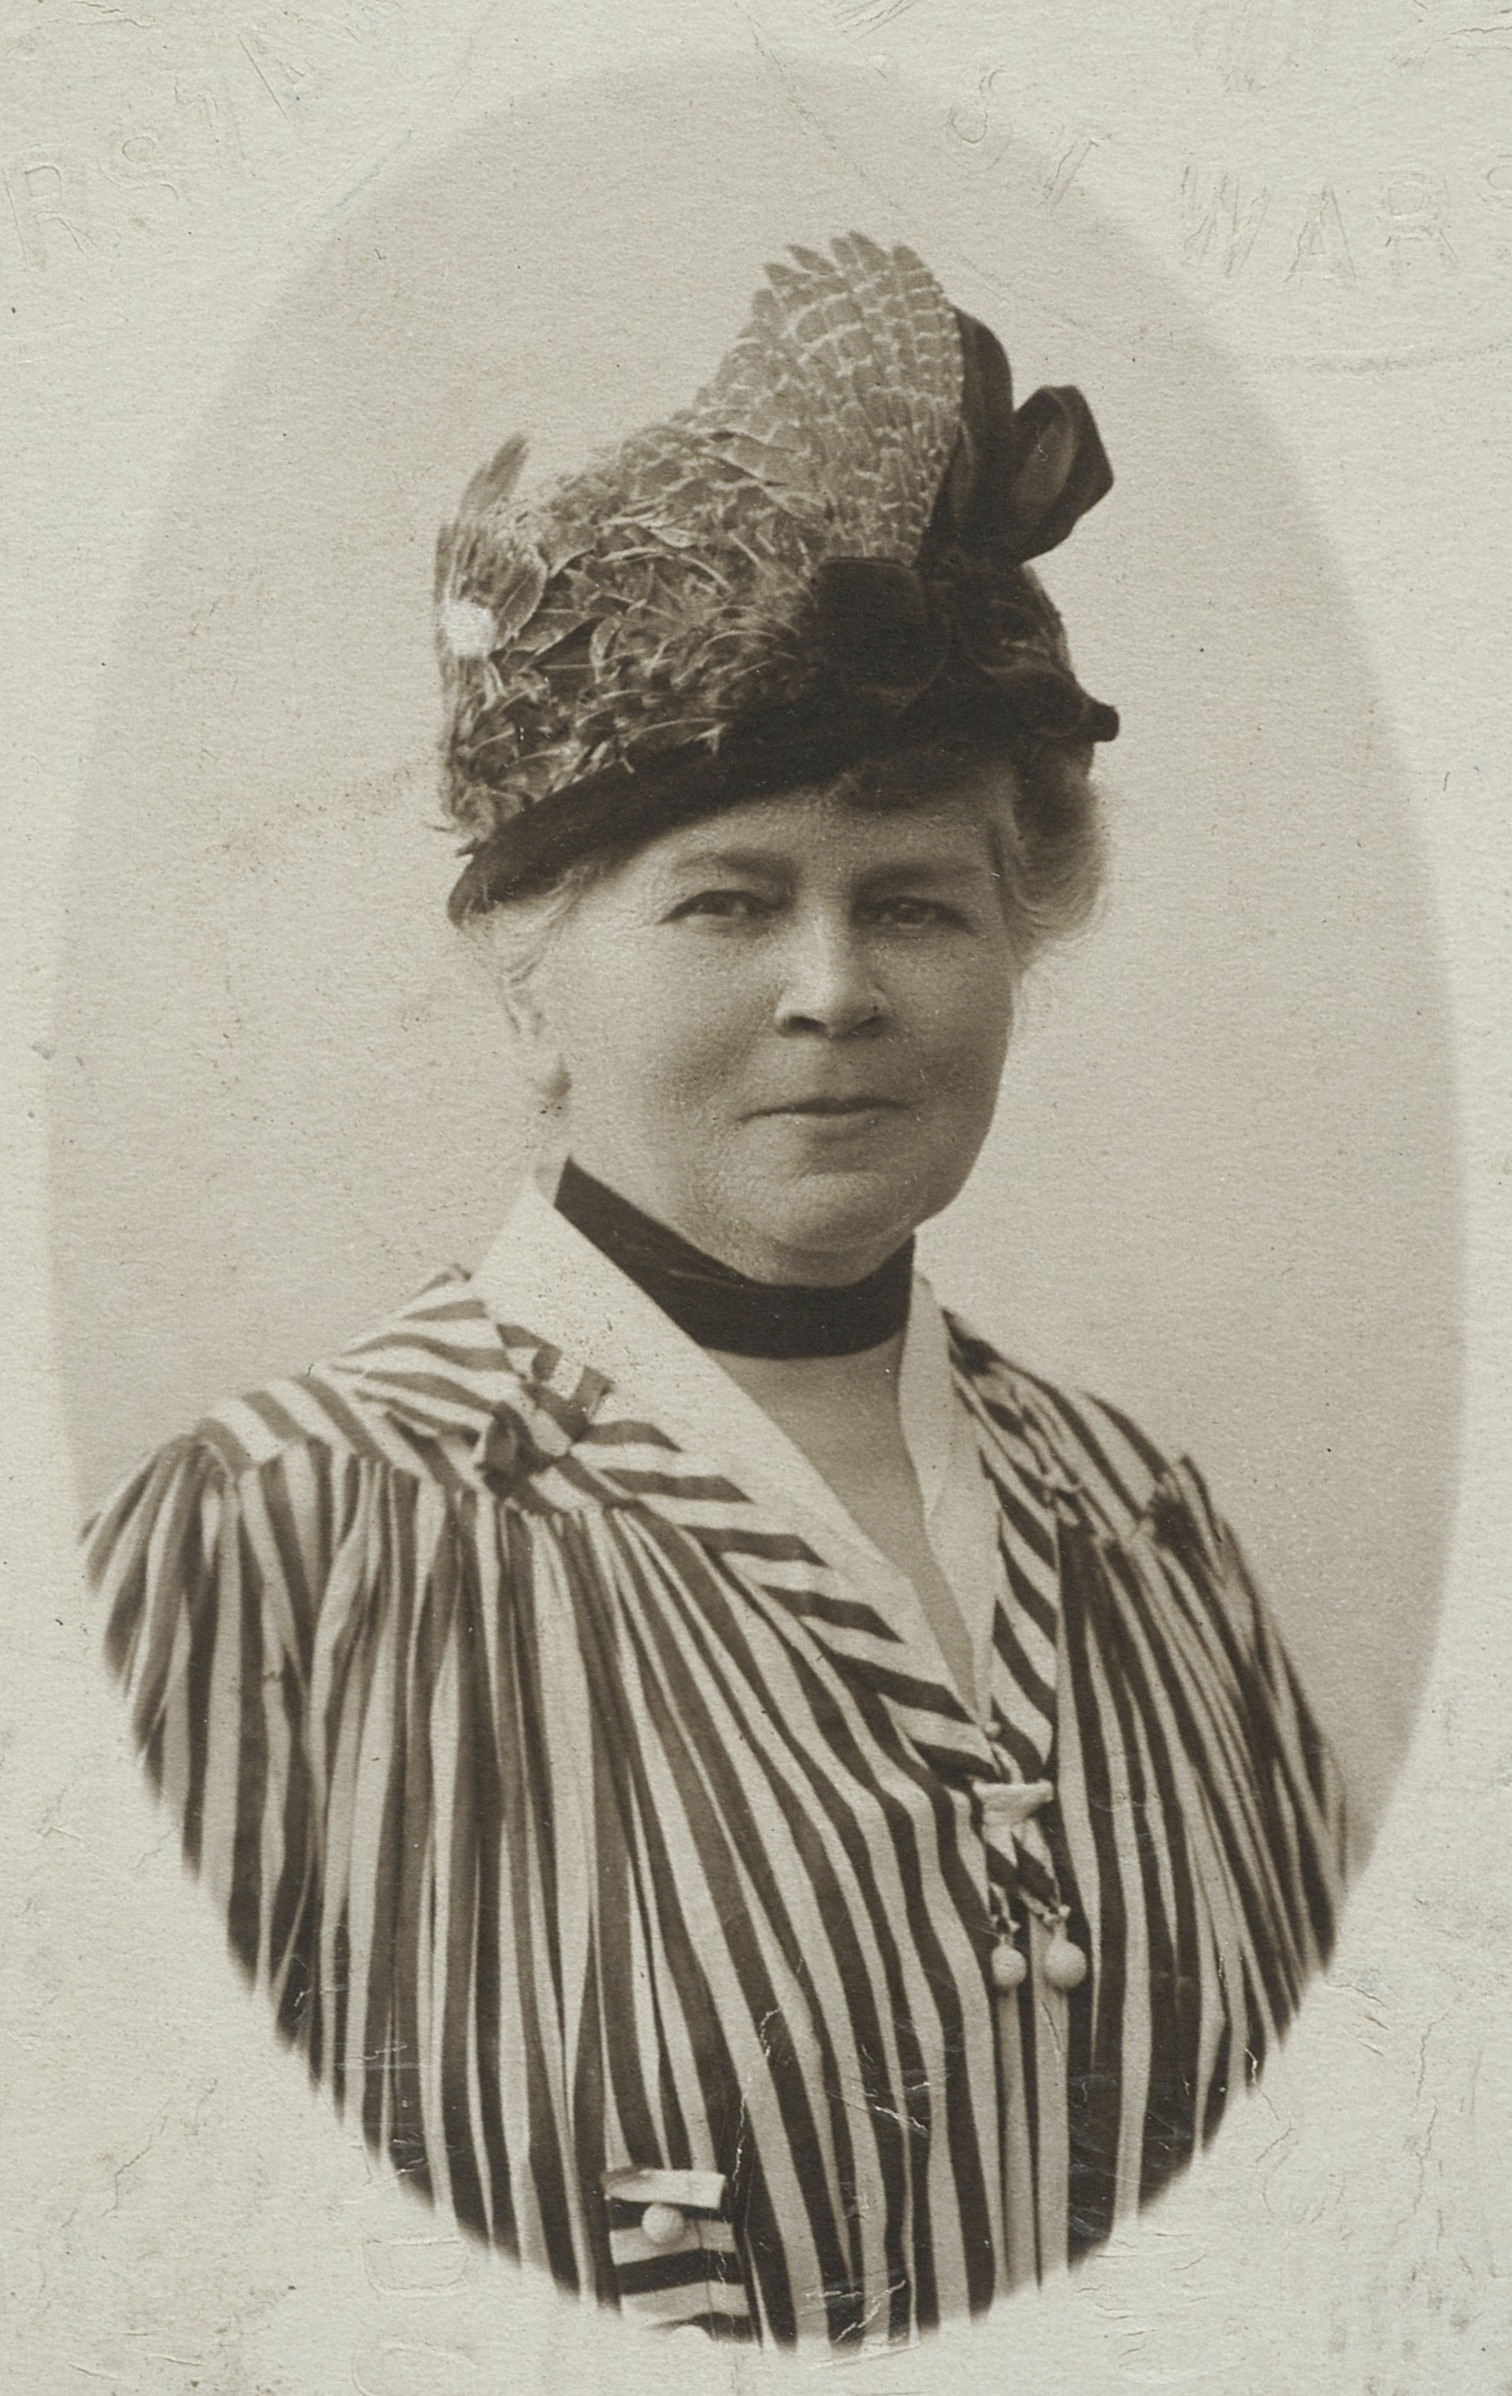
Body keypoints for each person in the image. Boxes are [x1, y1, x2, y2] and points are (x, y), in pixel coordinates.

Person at [83, 233, 1346, 2348]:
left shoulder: (1146, 1539)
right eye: (730, 903)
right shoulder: (282, 1548)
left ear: (1016, 947)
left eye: (917, 906)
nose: (835, 990)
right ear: (529, 974)